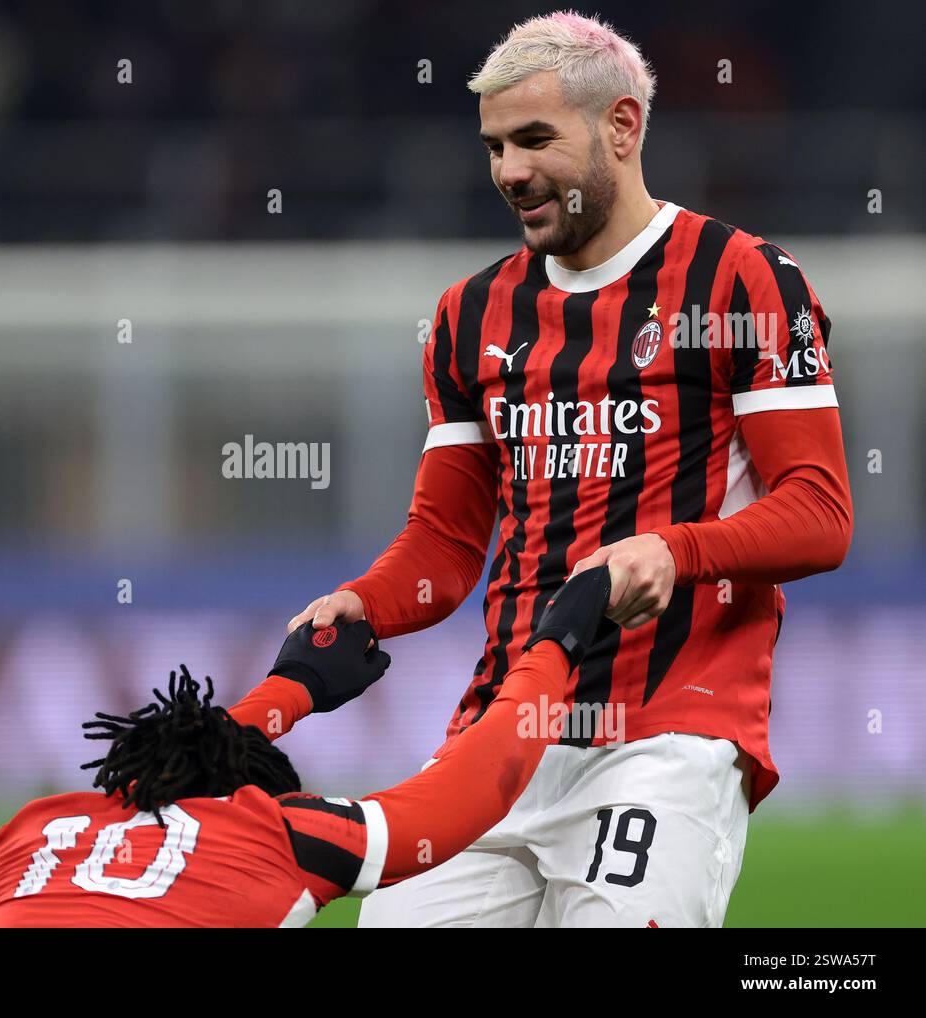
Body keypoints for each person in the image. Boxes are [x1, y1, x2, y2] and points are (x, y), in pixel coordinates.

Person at [263, 12, 853, 927]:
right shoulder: (470, 315)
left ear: (622, 126)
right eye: (495, 147)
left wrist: (675, 551)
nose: (510, 171)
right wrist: (364, 603)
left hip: (666, 735)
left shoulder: (741, 280)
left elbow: (820, 513)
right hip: (500, 735)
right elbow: (445, 544)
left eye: (535, 140)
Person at [0, 569, 614, 927]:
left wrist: (293, 688)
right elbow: (461, 797)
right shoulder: (273, 836)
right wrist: (554, 646)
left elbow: (179, 757)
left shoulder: (32, 831)